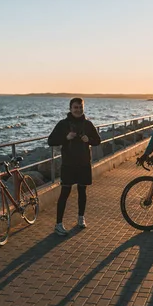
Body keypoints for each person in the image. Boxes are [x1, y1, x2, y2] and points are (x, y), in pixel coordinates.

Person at [48, 98, 101, 236]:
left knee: (82, 191)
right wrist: (66, 138)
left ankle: (81, 218)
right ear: (70, 108)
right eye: (75, 107)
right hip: (68, 164)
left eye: (80, 107)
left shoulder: (88, 124)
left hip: (84, 163)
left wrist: (88, 140)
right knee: (64, 193)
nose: (78, 110)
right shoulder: (63, 124)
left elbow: (98, 141)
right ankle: (58, 224)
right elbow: (51, 141)